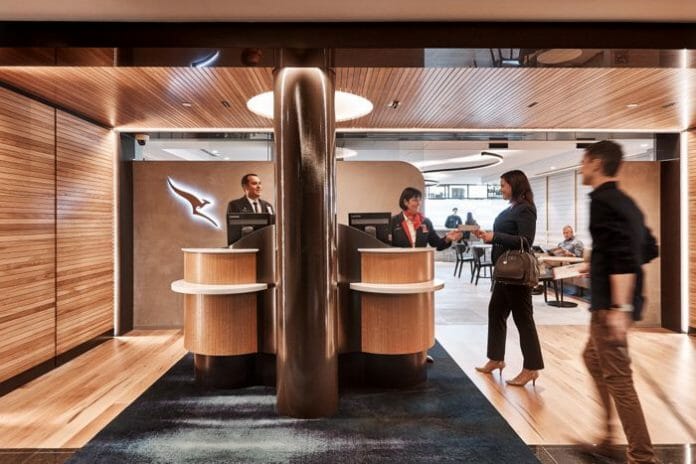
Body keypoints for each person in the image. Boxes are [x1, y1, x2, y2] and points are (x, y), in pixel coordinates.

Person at [577, 140, 658, 463]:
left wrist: (620, 308)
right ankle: (609, 437)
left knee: (619, 379)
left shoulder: (602, 202)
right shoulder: (627, 202)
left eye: (584, 162)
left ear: (596, 163)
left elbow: (625, 257)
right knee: (592, 358)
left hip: (611, 307)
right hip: (616, 303)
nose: (582, 168)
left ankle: (642, 455)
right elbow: (649, 248)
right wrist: (597, 260)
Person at [473, 170, 544, 387]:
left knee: (524, 320)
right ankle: (496, 359)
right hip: (504, 273)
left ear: (515, 185)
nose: (501, 189)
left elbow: (525, 241)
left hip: (517, 275)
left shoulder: (526, 209)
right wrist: (489, 237)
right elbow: (506, 238)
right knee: (496, 313)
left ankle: (531, 368)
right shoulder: (511, 209)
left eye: (503, 185)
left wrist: (497, 237)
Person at [390, 187, 462, 249]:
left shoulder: (425, 222)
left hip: (421, 262)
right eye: (415, 200)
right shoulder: (393, 222)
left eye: (420, 200)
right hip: (398, 263)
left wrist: (447, 238)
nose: (419, 203)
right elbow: (386, 247)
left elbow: (436, 244)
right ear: (405, 202)